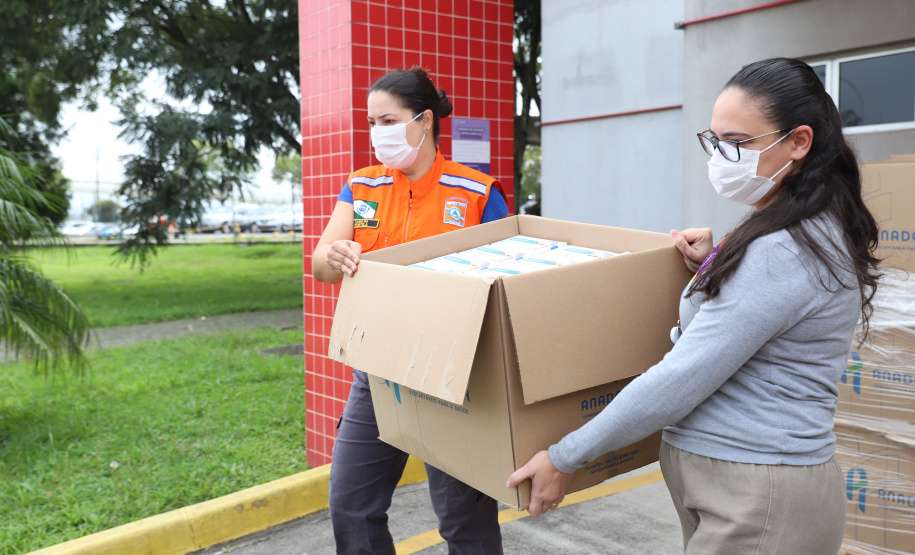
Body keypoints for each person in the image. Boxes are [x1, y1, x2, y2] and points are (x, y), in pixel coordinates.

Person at [506, 57, 881, 554]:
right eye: (715, 140)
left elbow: (681, 378)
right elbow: (760, 316)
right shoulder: (793, 228)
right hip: (747, 494)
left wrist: (564, 456)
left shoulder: (784, 250)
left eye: (738, 143)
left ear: (798, 142)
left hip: (759, 501)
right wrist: (715, 266)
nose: (722, 158)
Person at [312, 66, 509, 555]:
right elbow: (321, 266)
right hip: (377, 373)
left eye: (388, 121)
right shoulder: (362, 187)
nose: (377, 132)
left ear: (424, 121)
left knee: (464, 521)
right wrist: (335, 254)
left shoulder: (477, 193)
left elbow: (506, 289)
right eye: (371, 122)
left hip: (452, 381)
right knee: (351, 506)